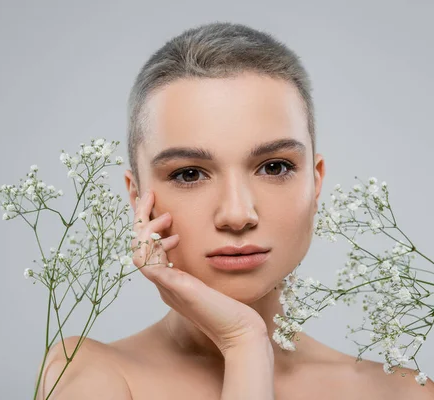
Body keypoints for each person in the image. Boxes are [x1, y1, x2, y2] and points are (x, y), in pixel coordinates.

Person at [38, 21, 434, 399]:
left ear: (315, 183)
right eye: (189, 173)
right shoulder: (86, 373)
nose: (237, 214)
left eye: (275, 167)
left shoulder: (405, 393)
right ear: (136, 195)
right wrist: (243, 343)